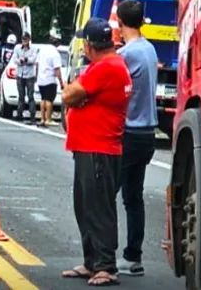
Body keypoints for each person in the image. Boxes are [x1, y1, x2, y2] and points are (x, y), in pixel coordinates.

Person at [60, 17, 132, 287]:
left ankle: (105, 265)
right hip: (91, 147)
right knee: (86, 205)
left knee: (98, 208)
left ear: (90, 46)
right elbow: (77, 96)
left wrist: (77, 96)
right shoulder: (112, 65)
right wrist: (80, 97)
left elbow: (69, 95)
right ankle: (92, 262)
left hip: (97, 148)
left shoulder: (104, 68)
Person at [114, 0, 159, 276]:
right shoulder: (150, 49)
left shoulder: (126, 54)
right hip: (148, 133)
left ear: (119, 23)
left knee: (106, 195)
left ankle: (103, 256)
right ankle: (133, 256)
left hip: (129, 133)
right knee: (134, 197)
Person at [35, 33, 65, 127]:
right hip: (49, 79)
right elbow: (57, 69)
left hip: (41, 79)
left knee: (43, 98)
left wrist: (37, 76)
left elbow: (37, 64)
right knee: (49, 100)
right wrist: (61, 81)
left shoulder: (42, 50)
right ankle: (48, 119)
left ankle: (42, 118)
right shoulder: (55, 53)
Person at [12, 32, 38, 121]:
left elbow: (33, 60)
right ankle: (19, 113)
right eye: (23, 39)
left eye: (26, 39)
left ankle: (32, 115)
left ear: (29, 40)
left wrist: (26, 60)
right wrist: (21, 61)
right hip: (20, 74)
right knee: (21, 95)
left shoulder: (33, 49)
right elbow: (15, 59)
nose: (24, 41)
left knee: (30, 96)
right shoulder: (17, 48)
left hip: (29, 75)